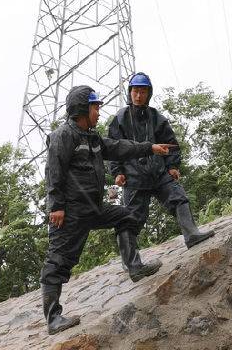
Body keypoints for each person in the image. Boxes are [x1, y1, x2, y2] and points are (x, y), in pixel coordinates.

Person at [40, 85, 175, 335]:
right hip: (69, 213)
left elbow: (119, 147)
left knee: (127, 216)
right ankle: (53, 319)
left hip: (93, 208)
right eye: (95, 107)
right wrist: (56, 206)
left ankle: (134, 267)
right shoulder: (63, 135)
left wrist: (150, 147)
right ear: (82, 109)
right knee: (57, 262)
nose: (99, 112)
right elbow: (53, 172)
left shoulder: (92, 138)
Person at [108, 72, 215, 250]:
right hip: (134, 178)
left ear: (148, 94)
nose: (138, 95)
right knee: (131, 219)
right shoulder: (120, 118)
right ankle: (130, 261)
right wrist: (117, 172)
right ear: (130, 92)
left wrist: (172, 166)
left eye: (143, 92)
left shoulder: (156, 117)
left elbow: (171, 143)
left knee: (179, 197)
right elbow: (113, 148)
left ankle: (192, 234)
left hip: (158, 173)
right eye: (135, 91)